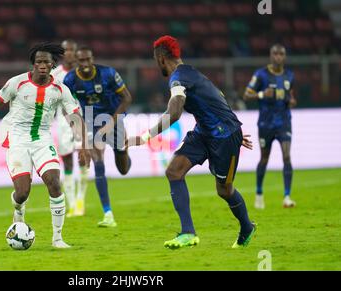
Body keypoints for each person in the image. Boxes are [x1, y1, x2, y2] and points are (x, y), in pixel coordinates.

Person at [127, 35, 255, 249]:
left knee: (224, 190)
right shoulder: (190, 73)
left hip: (224, 137)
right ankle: (188, 232)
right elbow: (217, 97)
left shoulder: (178, 78)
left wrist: (144, 137)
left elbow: (174, 113)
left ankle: (247, 227)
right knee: (174, 171)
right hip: (205, 132)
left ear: (160, 58)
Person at [0, 43, 90, 249]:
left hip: (42, 139)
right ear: (33, 64)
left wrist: (83, 146)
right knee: (23, 193)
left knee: (54, 182)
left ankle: (57, 238)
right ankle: (18, 209)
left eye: (46, 62)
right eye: (38, 61)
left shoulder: (60, 89)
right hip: (17, 138)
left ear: (52, 65)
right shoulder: (17, 83)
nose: (42, 65)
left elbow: (76, 117)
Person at [63, 46, 133, 227]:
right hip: (90, 122)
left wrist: (112, 122)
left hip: (113, 118)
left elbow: (127, 98)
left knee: (123, 168)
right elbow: (67, 106)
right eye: (81, 61)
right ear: (76, 62)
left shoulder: (108, 74)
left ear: (92, 59)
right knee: (98, 162)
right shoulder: (70, 79)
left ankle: (124, 151)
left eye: (88, 60)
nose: (85, 64)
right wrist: (78, 130)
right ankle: (108, 213)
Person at [243, 44, 297, 209]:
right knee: (264, 159)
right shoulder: (261, 75)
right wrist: (261, 94)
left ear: (284, 57)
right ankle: (259, 194)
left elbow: (291, 96)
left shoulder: (289, 75)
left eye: (281, 54)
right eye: (275, 54)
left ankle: (287, 196)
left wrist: (292, 101)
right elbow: (246, 94)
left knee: (286, 157)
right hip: (265, 124)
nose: (278, 57)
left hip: (284, 122)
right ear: (270, 55)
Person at [51, 40, 89, 218]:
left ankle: (80, 200)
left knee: (83, 159)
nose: (69, 53)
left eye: (72, 50)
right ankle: (72, 204)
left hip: (83, 119)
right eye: (65, 50)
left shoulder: (84, 72)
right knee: (66, 162)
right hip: (63, 122)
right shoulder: (55, 74)